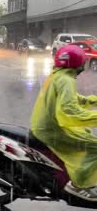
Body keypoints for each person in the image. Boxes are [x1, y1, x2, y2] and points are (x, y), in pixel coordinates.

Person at [31, 45, 97, 201]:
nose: (84, 65)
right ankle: (77, 185)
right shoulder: (66, 80)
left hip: (44, 124)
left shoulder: (57, 76)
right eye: (83, 62)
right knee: (94, 146)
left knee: (86, 133)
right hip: (52, 129)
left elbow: (72, 99)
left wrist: (93, 100)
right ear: (77, 63)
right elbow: (69, 110)